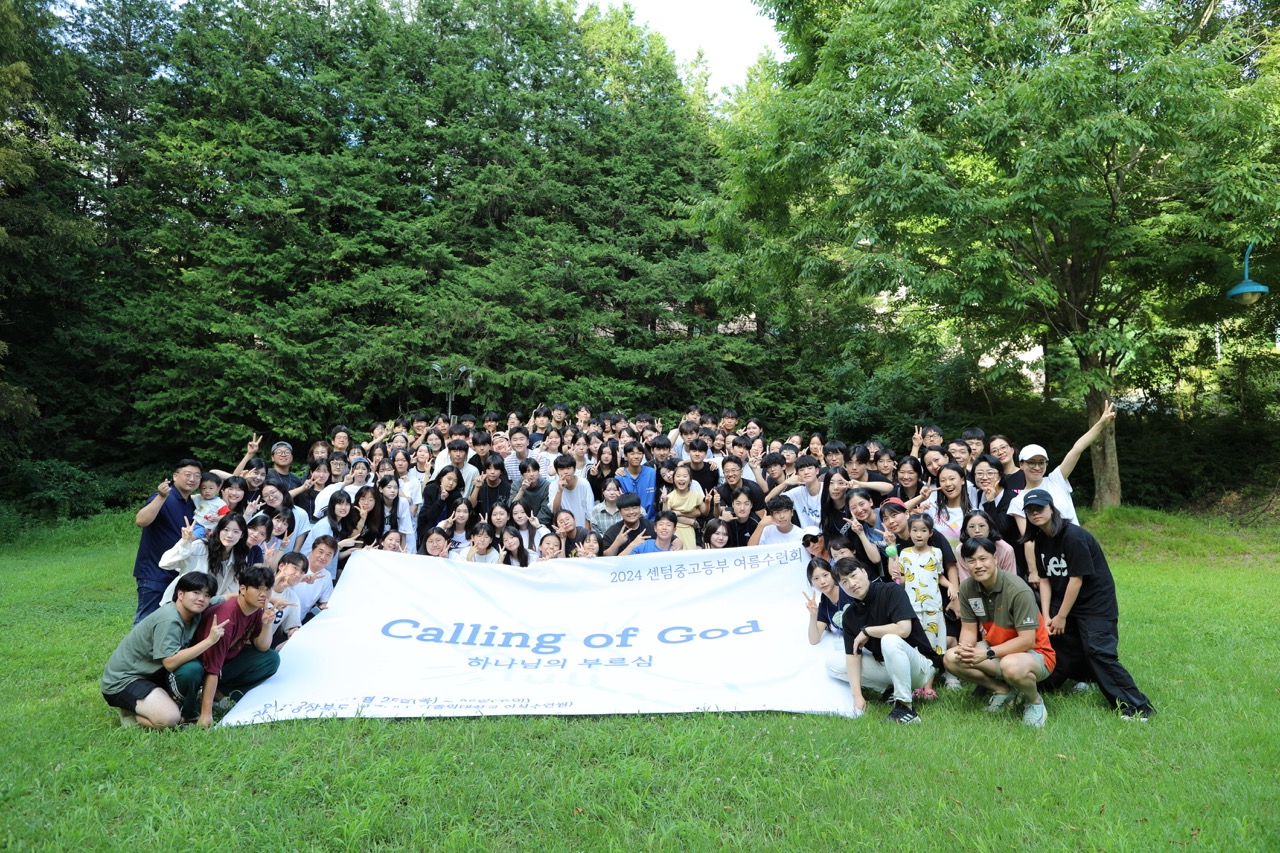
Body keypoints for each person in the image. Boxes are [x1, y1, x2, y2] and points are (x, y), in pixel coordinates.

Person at [1023, 489, 1156, 721]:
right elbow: (1044, 580)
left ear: (1051, 508)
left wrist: (1061, 616)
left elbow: (1076, 579)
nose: (1035, 513)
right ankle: (1070, 681)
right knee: (1059, 645)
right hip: (1063, 601)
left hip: (1095, 604)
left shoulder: (1073, 537)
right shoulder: (1040, 540)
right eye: (1030, 510)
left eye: (1040, 508)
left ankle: (1137, 706)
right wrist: (1047, 616)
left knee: (1098, 651)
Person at [943, 537, 1056, 727]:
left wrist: (987, 653)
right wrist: (966, 649)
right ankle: (1003, 690)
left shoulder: (1018, 590)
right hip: (997, 648)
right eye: (971, 561)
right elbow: (969, 629)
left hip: (1036, 654)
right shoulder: (968, 588)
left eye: (983, 559)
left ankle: (1035, 702)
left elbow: (1027, 641)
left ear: (995, 558)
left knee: (1010, 665)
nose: (978, 565)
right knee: (952, 657)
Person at [100, 572, 225, 729]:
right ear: (180, 594)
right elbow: (170, 663)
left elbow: (226, 598)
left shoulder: (196, 609)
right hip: (123, 681)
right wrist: (209, 641)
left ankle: (159, 704)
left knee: (193, 669)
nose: (201, 598)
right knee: (170, 719)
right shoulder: (170, 619)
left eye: (206, 595)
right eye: (196, 592)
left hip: (151, 675)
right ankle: (130, 714)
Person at [835, 558, 943, 724]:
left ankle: (906, 708)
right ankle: (890, 690)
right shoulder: (849, 616)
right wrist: (857, 696)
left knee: (890, 639)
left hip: (919, 666)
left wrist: (868, 631)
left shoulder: (891, 590)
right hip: (888, 665)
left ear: (864, 572)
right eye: (844, 582)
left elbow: (903, 629)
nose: (851, 583)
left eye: (853, 575)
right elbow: (853, 656)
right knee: (833, 664)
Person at [172, 563, 281, 727]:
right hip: (199, 663)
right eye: (258, 588)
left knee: (271, 659)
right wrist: (206, 714)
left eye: (267, 589)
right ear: (243, 589)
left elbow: (262, 647)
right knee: (193, 671)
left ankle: (221, 694)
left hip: (224, 662)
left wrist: (267, 625)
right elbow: (212, 669)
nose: (264, 594)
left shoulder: (255, 611)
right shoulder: (227, 618)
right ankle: (192, 711)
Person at [132, 458, 202, 624]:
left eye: (197, 476)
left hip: (179, 573)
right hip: (154, 572)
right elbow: (141, 520)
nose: (192, 479)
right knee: (146, 622)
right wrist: (161, 496)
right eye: (188, 474)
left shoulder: (193, 503)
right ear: (175, 476)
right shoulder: (164, 497)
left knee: (171, 621)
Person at [804, 558, 854, 679]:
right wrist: (813, 614)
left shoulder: (849, 589)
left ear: (833, 573)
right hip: (853, 647)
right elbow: (814, 639)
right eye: (816, 578)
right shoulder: (824, 606)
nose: (822, 581)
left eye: (825, 575)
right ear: (811, 583)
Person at [547, 454, 596, 528]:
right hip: (564, 529)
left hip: (583, 528)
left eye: (568, 468)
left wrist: (586, 532)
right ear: (557, 472)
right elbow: (555, 511)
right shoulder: (553, 486)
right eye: (562, 469)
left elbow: (589, 512)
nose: (565, 472)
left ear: (574, 469)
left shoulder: (584, 483)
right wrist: (559, 491)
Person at [617, 440, 658, 521]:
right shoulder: (620, 477)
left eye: (639, 453)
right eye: (632, 454)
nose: (636, 456)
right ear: (625, 456)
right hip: (630, 521)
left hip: (652, 521)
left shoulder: (652, 473)